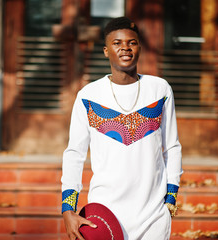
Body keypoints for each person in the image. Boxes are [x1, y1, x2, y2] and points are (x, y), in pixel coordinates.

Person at [61, 16, 183, 240]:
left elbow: (172, 146)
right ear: (106, 51)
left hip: (153, 214)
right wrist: (68, 209)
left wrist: (170, 201)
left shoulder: (160, 89)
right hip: (106, 214)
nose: (125, 48)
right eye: (117, 43)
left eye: (132, 42)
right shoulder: (88, 96)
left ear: (140, 48)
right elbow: (74, 154)